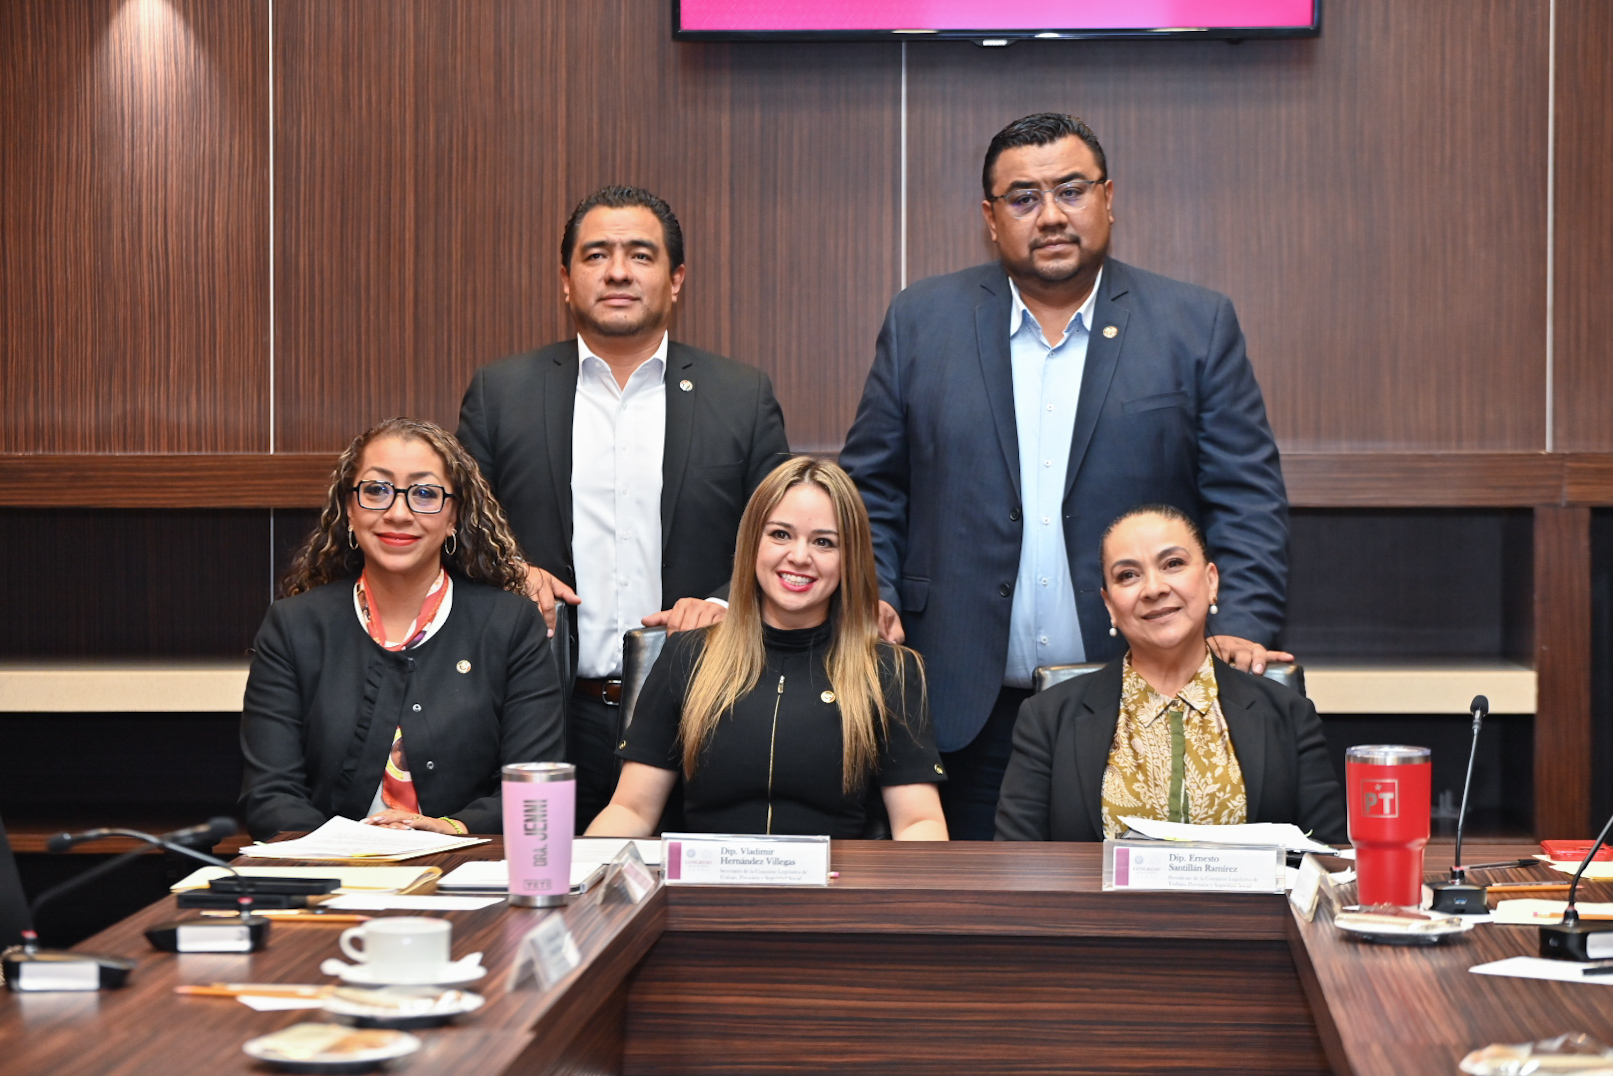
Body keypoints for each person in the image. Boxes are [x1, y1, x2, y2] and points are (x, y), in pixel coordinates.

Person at [839, 112, 1290, 839]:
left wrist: (1237, 626)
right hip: (958, 705)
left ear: (1107, 198)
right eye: (1023, 198)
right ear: (990, 218)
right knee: (965, 907)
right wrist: (876, 594)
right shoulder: (923, 320)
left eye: (1071, 191)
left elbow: (1245, 498)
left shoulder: (1193, 323)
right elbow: (871, 492)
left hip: (1137, 702)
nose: (1050, 215)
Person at [458, 185, 791, 828]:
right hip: (547, 714)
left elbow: (781, 534)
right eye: (596, 255)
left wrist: (724, 605)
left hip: (703, 708)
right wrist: (510, 575)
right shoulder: (503, 393)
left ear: (676, 279)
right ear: (566, 280)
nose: (617, 272)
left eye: (640, 255)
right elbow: (458, 531)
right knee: (548, 879)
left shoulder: (741, 395)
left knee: (693, 887)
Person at [585, 457, 948, 841]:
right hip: (706, 879)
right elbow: (631, 810)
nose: (799, 557)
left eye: (824, 542)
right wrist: (584, 874)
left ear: (850, 559)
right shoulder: (688, 656)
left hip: (839, 880)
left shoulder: (889, 671)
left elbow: (918, 822)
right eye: (780, 535)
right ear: (752, 543)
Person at [239, 418, 565, 841]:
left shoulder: (510, 625)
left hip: (467, 863)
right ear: (349, 509)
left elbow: (535, 789)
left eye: (425, 493)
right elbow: (269, 796)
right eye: (377, 490)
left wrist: (447, 829)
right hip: (329, 867)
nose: (397, 513)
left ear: (454, 517)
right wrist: (352, 852)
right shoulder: (293, 626)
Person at [995, 505, 1344, 844]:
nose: (1154, 589)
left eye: (1173, 564)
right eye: (1128, 575)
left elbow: (1329, 858)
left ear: (1211, 581)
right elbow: (1016, 861)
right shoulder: (1047, 718)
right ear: (1110, 605)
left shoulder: (1287, 713)